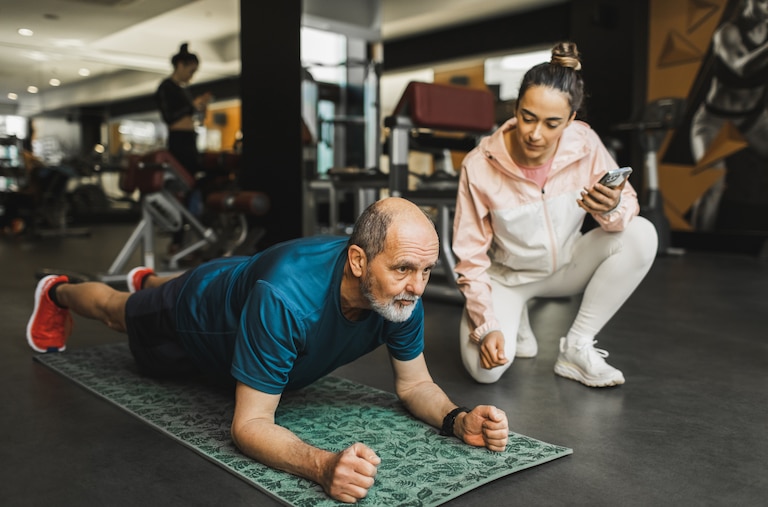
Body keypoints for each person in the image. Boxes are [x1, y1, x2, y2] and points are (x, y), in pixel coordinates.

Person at [26, 197, 509, 504]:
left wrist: (456, 419)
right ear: (359, 261)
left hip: (245, 281)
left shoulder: (402, 298)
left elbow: (416, 383)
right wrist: (322, 466)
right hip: (200, 313)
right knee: (121, 312)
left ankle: (151, 282)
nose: (417, 287)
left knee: (169, 293)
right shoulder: (285, 298)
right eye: (405, 269)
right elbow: (250, 424)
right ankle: (58, 291)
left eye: (426, 272)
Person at [452, 41, 658, 388]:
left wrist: (610, 208)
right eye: (527, 117)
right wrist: (486, 326)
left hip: (567, 267)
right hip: (509, 279)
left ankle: (576, 347)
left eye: (552, 123)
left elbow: (628, 206)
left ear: (571, 120)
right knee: (486, 372)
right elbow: (469, 256)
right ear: (515, 107)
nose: (535, 133)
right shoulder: (479, 164)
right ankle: (514, 321)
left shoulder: (584, 142)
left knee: (642, 233)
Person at [689, 0, 768, 231]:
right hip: (714, 121)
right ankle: (698, 248)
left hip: (754, 120)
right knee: (712, 183)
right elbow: (741, 68)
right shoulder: (728, 33)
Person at [155, 42, 213, 253]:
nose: (192, 75)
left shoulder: (184, 91)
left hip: (190, 140)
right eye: (191, 70)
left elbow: (193, 117)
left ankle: (193, 235)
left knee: (195, 188)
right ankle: (178, 240)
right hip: (178, 142)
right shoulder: (166, 88)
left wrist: (200, 108)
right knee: (183, 189)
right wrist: (194, 105)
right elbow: (171, 117)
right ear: (180, 65)